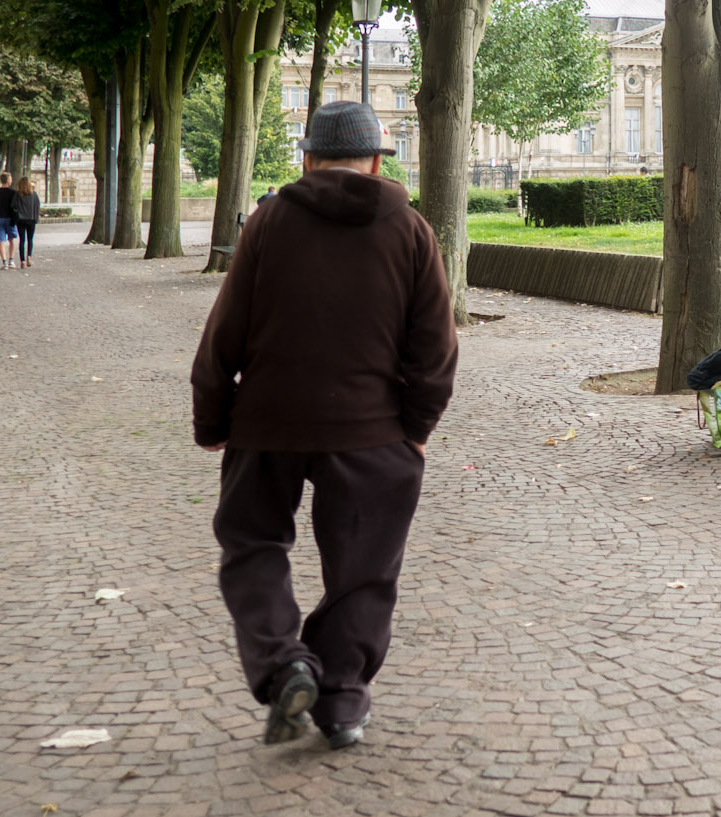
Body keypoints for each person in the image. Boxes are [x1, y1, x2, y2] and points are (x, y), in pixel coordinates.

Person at [191, 100, 457, 750]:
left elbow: (225, 332)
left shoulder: (269, 222)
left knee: (251, 544)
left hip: (268, 423)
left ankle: (286, 665)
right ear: (374, 162)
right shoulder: (412, 229)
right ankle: (340, 702)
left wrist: (213, 416)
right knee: (364, 570)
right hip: (372, 432)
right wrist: (416, 428)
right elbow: (436, 347)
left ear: (307, 158)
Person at [12, 177, 41, 269]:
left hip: (21, 220)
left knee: (22, 240)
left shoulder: (18, 194)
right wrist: (36, 218)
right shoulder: (34, 194)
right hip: (31, 219)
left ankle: (22, 261)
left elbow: (13, 205)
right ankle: (29, 257)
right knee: (30, 239)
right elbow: (37, 206)